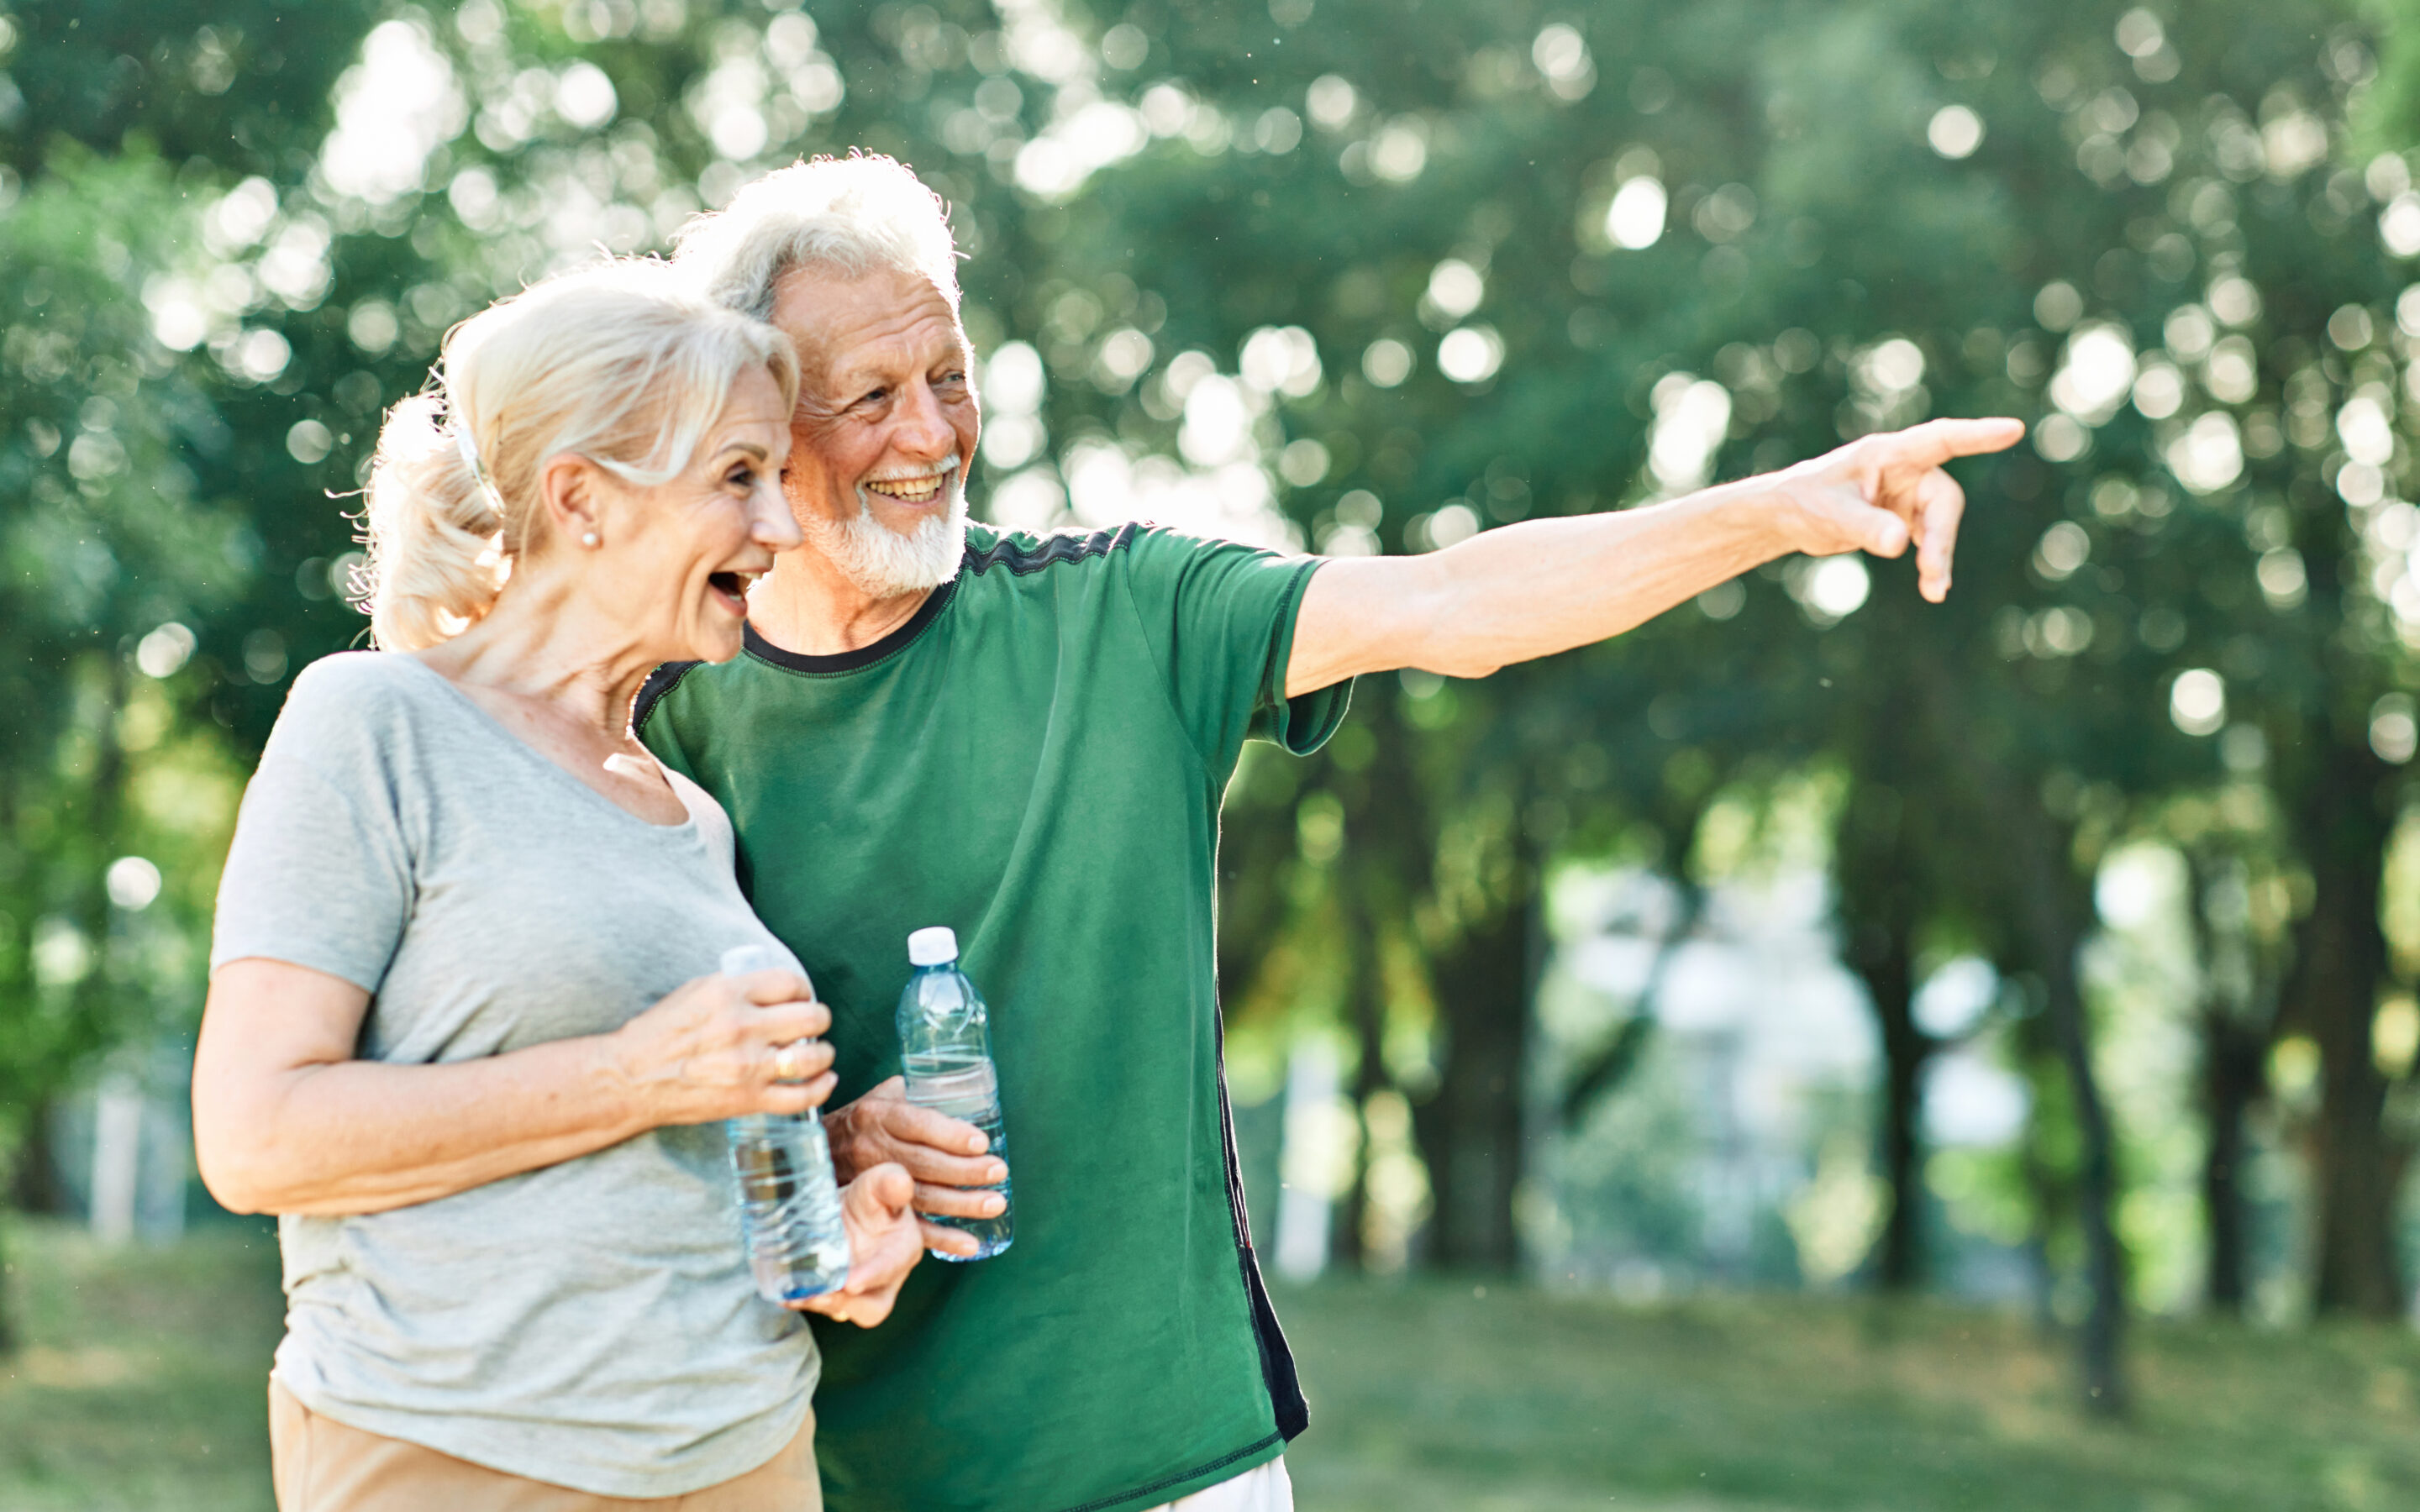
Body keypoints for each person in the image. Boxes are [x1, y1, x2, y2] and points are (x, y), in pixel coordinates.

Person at [641, 154, 2023, 1512]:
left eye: (949, 378)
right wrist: (814, 1151)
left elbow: (1457, 603)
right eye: (871, 398)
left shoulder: (1121, 618)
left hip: (1174, 1469)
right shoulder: (656, 725)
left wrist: (1781, 508)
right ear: (756, 428)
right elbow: (597, 1120)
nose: (933, 436)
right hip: (844, 1476)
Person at [192, 260, 929, 1512]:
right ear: (582, 497)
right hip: (461, 1458)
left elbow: (659, 1139)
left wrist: (834, 1182)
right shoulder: (375, 723)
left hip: (746, 1452)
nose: (784, 528)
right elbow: (256, 1139)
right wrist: (640, 1076)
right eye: (739, 476)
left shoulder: (690, 816)